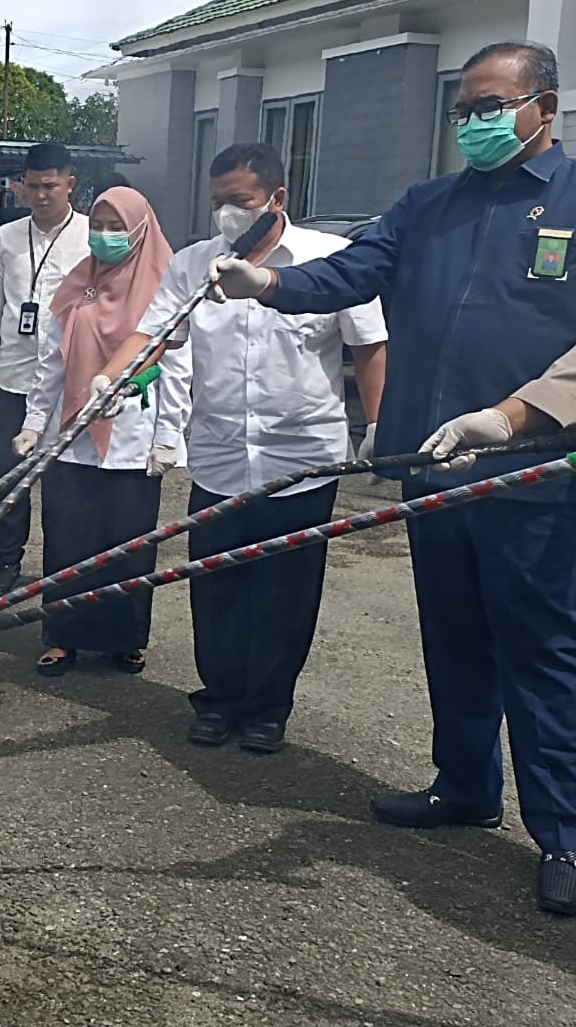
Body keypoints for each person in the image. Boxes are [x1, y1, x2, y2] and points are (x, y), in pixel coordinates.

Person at [210, 40, 576, 916]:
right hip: (431, 458)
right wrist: (267, 281)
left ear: (546, 107)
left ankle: (569, 833)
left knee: (543, 650)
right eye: (463, 109)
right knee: (452, 634)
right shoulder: (429, 204)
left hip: (524, 470)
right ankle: (463, 784)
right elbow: (354, 269)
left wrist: (517, 417)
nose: (474, 122)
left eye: (492, 105)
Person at [97, 142, 388, 754]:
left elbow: (368, 346)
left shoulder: (329, 261)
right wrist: (116, 377)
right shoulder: (193, 265)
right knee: (218, 585)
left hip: (303, 458)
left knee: (285, 591)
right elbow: (155, 334)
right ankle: (219, 698)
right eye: (218, 203)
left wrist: (379, 426)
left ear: (277, 199)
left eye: (241, 202)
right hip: (222, 454)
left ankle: (268, 706)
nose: (228, 214)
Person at [11, 186, 187, 676]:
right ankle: (63, 637)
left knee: (127, 545)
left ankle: (124, 639)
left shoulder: (165, 285)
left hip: (133, 439)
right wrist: (33, 423)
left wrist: (167, 436)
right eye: (98, 226)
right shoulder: (77, 282)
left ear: (140, 229)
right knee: (67, 539)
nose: (106, 237)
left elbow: (177, 367)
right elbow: (51, 364)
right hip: (70, 437)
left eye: (117, 228)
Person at [0, 142, 90, 596]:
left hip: (71, 384)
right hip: (15, 378)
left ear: (69, 184)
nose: (41, 195)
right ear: (21, 185)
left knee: (66, 482)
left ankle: (61, 565)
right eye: (32, 186)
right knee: (9, 476)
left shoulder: (92, 236)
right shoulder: (7, 238)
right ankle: (6, 561)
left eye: (51, 186)